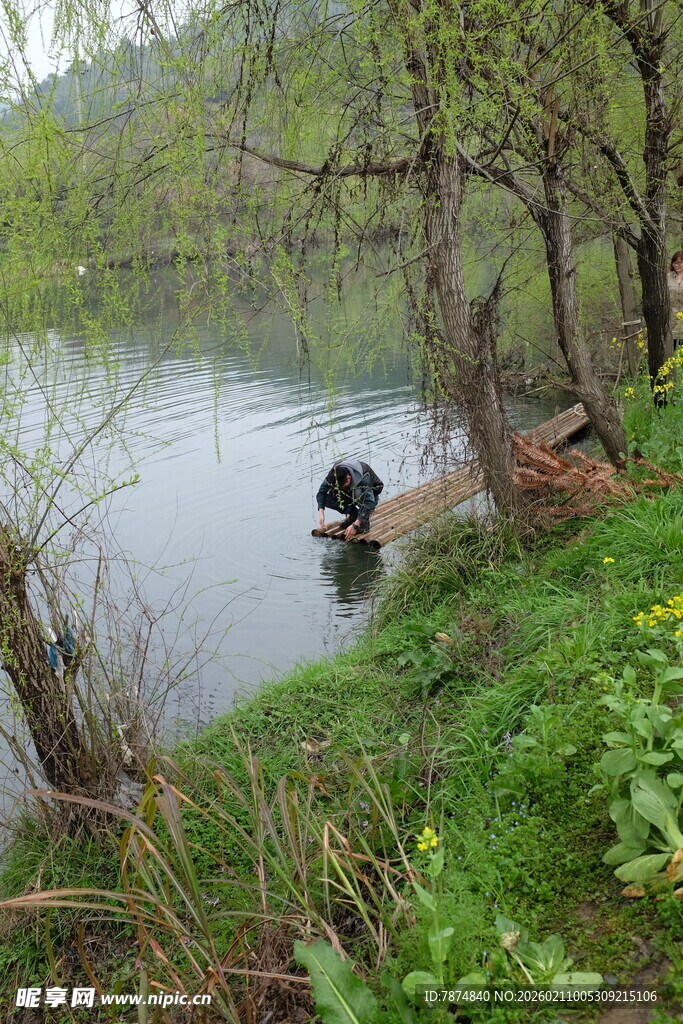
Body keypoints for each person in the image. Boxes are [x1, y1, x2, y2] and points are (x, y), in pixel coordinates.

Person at [316, 460, 384, 540]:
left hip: (372, 494)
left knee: (358, 492)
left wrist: (355, 525)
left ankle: (363, 522)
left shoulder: (363, 476)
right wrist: (321, 513)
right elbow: (321, 492)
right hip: (350, 490)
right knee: (327, 498)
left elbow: (369, 502)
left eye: (342, 486)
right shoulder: (334, 473)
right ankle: (353, 514)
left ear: (348, 478)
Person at [668, 250, 683, 350]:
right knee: (671, 346)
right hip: (671, 316)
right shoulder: (667, 277)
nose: (676, 265)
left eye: (679, 263)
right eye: (674, 262)